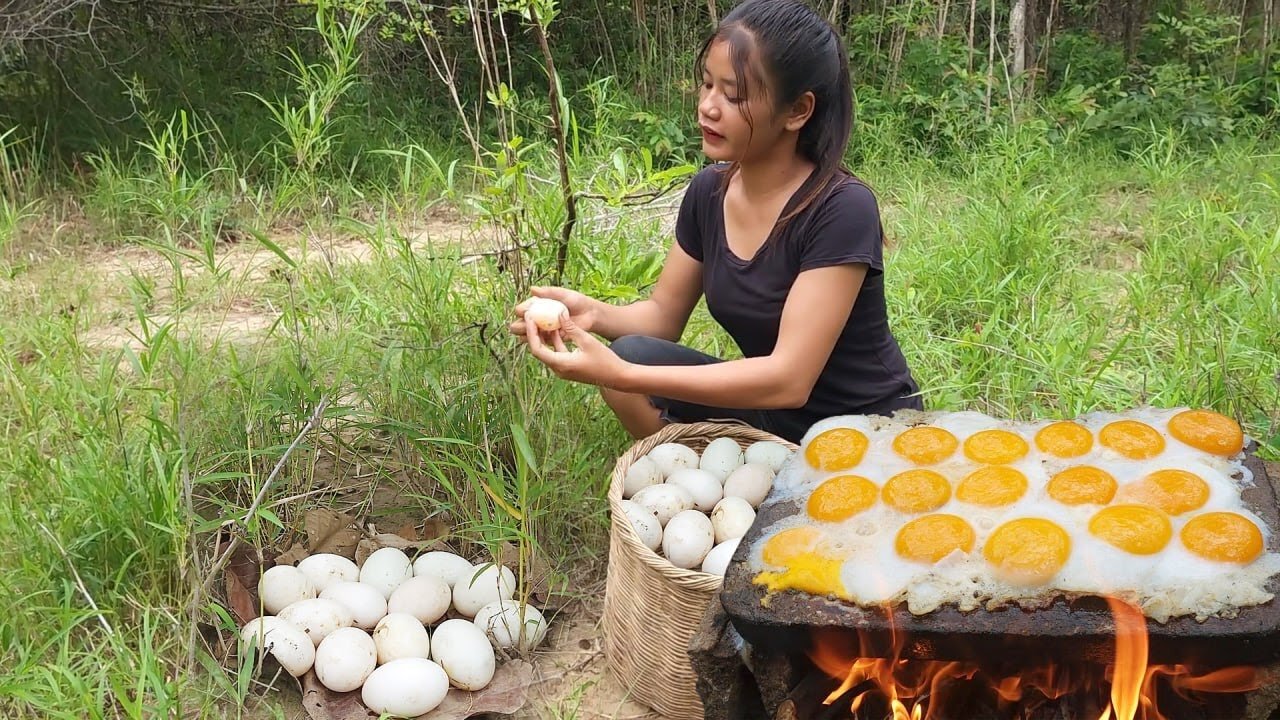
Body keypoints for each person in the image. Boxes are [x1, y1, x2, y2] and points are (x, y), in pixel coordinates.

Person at [508, 0, 922, 445]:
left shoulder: (841, 208)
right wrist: (594, 313)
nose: (708, 106)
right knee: (630, 357)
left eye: (734, 95)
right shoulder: (710, 192)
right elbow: (663, 317)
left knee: (627, 370)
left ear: (797, 111)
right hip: (771, 414)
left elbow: (789, 378)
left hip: (865, 430)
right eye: (706, 84)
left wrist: (625, 374)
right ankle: (691, 484)